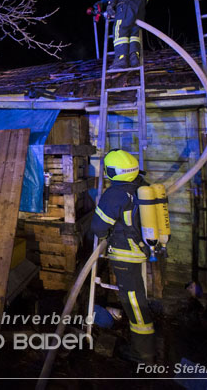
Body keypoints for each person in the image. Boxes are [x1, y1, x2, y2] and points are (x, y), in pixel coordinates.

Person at [90, 149, 155, 363]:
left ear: (111, 172)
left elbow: (99, 227)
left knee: (133, 300)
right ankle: (141, 344)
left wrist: (104, 233)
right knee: (136, 296)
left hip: (125, 255)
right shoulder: (142, 185)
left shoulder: (115, 194)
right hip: (140, 249)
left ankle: (143, 352)